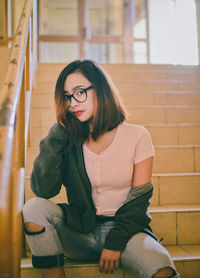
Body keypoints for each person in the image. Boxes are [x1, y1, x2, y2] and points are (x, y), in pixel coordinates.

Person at [22, 60, 179, 278]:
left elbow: (139, 201)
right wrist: (57, 132)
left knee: (163, 269)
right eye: (67, 97)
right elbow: (43, 190)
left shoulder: (137, 136)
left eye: (80, 92)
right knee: (33, 207)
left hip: (127, 234)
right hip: (79, 233)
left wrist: (114, 243)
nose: (73, 103)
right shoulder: (66, 138)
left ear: (101, 90)